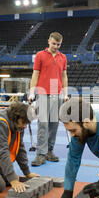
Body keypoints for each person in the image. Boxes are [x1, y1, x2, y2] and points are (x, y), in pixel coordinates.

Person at [28, 32, 69, 166]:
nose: (56, 46)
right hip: (43, 92)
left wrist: (65, 93)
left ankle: (49, 151)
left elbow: (64, 76)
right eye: (53, 44)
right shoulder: (40, 55)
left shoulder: (63, 57)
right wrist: (31, 92)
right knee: (43, 123)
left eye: (58, 44)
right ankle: (41, 154)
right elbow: (35, 74)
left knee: (54, 124)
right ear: (48, 41)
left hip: (57, 93)